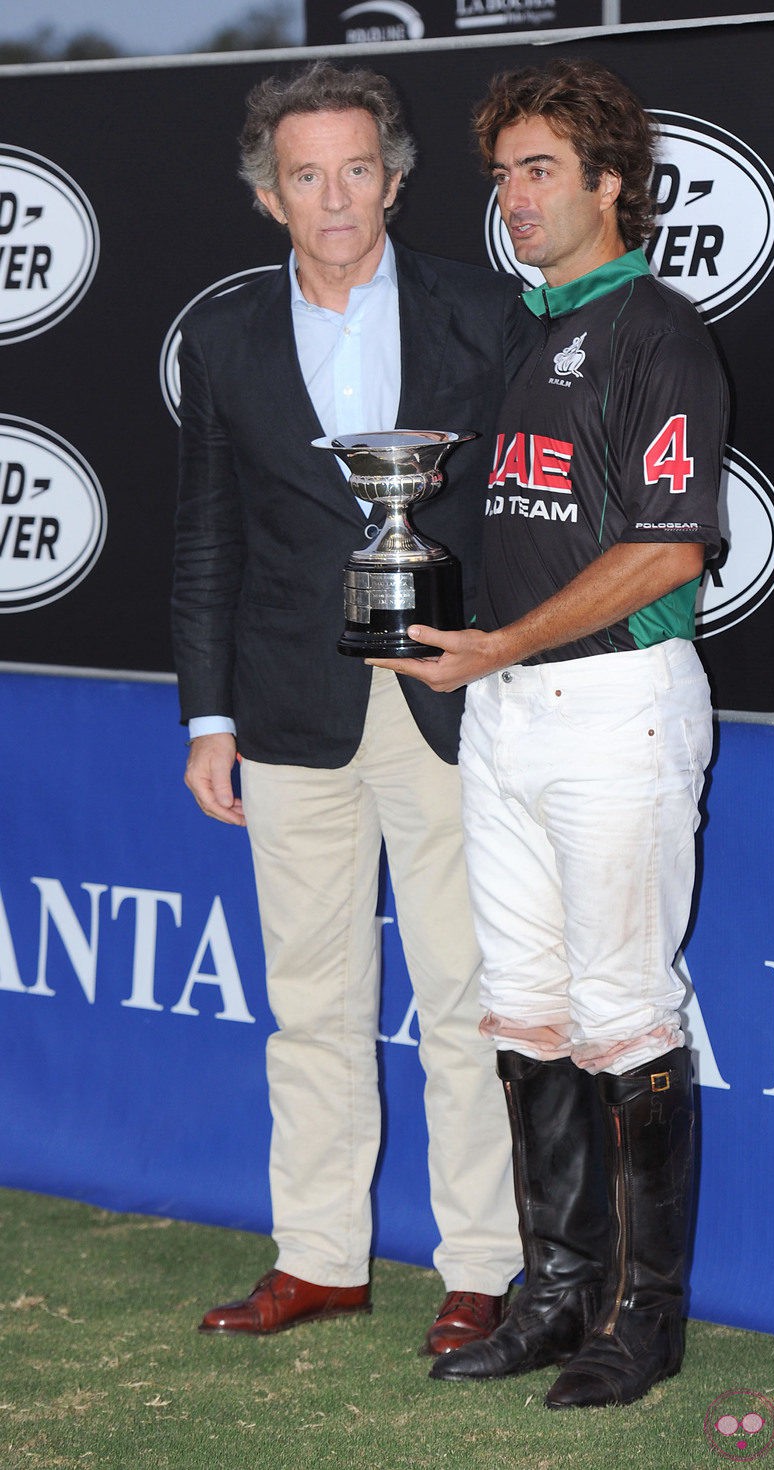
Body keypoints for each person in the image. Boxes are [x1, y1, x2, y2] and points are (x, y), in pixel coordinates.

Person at [370, 59, 729, 1407]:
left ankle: (649, 1317)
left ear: (608, 182)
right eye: (502, 175)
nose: (512, 200)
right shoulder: (524, 331)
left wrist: (507, 644)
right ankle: (559, 1290)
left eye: (539, 172)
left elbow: (669, 548)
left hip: (615, 709)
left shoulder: (657, 330)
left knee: (627, 1012)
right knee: (523, 1011)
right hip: (508, 714)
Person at [171, 60, 532, 1355]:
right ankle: (319, 1255)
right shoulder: (220, 337)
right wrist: (205, 718)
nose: (335, 197)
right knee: (310, 999)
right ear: (270, 195)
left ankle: (484, 1264)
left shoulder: (483, 314)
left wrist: (508, 661)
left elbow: (526, 518)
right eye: (306, 175)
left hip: (446, 698)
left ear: (395, 174)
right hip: (285, 709)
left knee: (466, 994)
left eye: (357, 168)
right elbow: (208, 534)